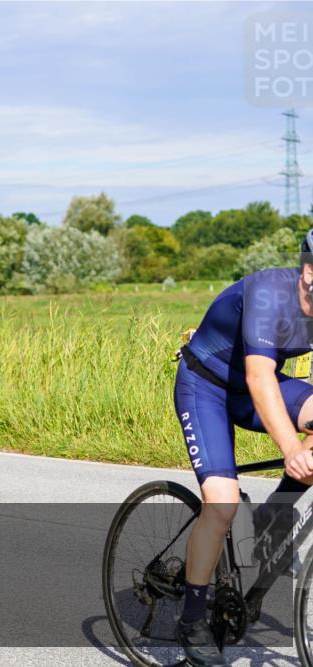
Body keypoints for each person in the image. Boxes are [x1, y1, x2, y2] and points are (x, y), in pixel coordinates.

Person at [174, 230, 313, 666]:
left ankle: (275, 515)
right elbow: (259, 379)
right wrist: (291, 448)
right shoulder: (270, 294)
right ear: (309, 272)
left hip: (254, 387)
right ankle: (192, 621)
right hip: (207, 387)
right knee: (222, 504)